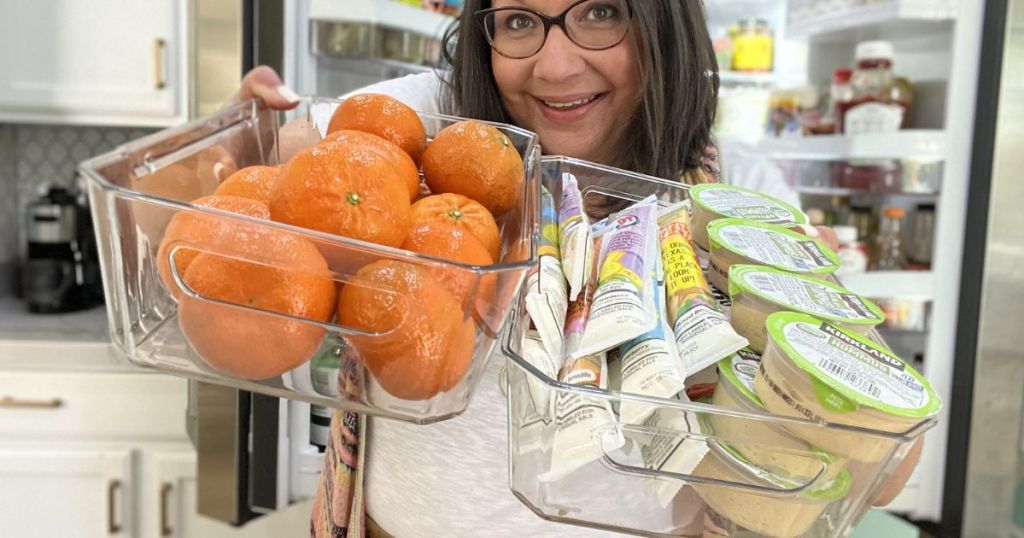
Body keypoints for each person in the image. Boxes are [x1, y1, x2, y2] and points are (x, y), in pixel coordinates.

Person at [234, 1, 913, 535]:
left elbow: (882, 472)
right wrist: (243, 139)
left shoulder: (736, 201)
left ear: (662, 19)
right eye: (521, 21)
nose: (556, 67)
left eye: (602, 12)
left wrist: (799, 321)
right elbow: (245, 194)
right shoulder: (433, 119)